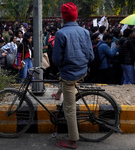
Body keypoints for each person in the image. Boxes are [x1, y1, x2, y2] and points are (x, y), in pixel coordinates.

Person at [52, 2, 94, 149]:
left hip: (69, 75)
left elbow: (56, 59)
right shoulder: (85, 32)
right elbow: (91, 56)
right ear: (75, 16)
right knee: (64, 79)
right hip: (82, 71)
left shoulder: (61, 33)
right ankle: (58, 93)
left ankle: (72, 140)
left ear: (63, 17)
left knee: (69, 109)